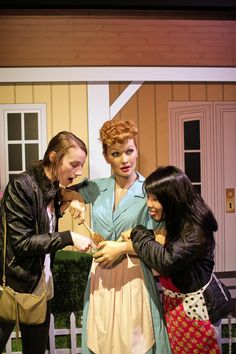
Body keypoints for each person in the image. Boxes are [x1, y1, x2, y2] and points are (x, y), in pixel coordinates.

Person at [63, 119, 172, 354]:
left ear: (136, 151)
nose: (125, 160)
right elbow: (63, 191)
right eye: (116, 153)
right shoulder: (96, 188)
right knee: (100, 341)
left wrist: (123, 248)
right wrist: (75, 201)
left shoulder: (149, 191)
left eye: (129, 151)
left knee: (135, 343)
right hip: (100, 279)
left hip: (135, 279)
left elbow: (162, 242)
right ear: (106, 157)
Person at [0, 131, 91, 354]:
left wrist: (64, 206)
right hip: (14, 284)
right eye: (74, 164)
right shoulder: (22, 185)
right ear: (53, 156)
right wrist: (68, 237)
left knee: (36, 350)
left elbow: (42, 224)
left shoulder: (53, 187)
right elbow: (21, 243)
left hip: (42, 284)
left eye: (82, 165)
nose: (78, 172)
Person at [130, 165, 232, 354]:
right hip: (177, 306)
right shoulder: (177, 219)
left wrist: (138, 233)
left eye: (155, 199)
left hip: (197, 310)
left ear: (173, 199)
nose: (149, 204)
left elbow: (165, 262)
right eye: (148, 197)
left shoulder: (195, 229)